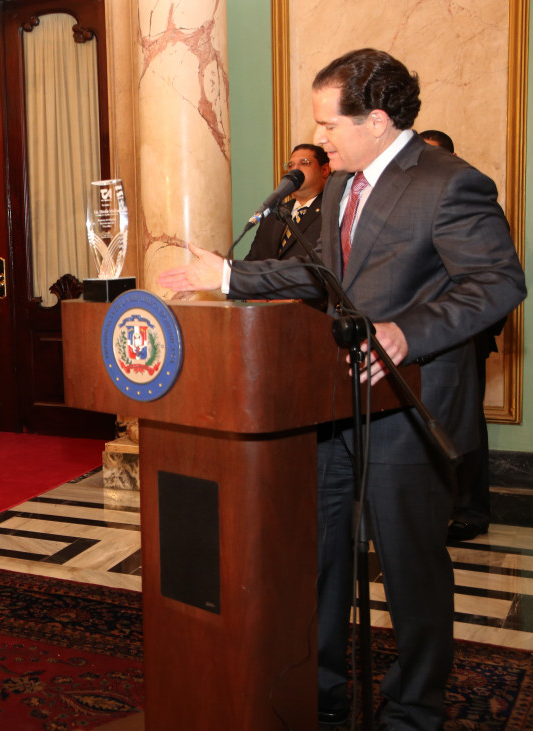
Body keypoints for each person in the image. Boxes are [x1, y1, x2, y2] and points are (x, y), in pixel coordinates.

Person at [158, 49, 526, 729]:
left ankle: (413, 709)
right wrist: (230, 276)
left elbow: (499, 282)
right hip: (333, 403)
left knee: (410, 569)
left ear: (377, 120)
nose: (318, 137)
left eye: (329, 124)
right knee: (322, 555)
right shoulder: (340, 188)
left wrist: (406, 333)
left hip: (408, 406)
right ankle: (320, 690)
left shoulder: (451, 183)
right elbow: (324, 273)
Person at [417, 130, 504, 543]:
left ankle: (471, 510)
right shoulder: (414, 202)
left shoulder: (468, 197)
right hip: (420, 338)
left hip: (465, 336)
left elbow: (493, 278)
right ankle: (433, 508)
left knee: (465, 427)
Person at [245, 144, 330, 262]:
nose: (295, 169)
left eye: (304, 163)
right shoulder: (273, 214)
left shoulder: (332, 211)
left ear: (324, 170)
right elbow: (252, 261)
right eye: (290, 165)